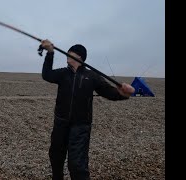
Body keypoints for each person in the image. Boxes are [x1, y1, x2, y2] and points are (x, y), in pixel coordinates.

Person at [40, 39, 135, 180]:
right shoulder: (63, 74)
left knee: (77, 165)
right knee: (56, 157)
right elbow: (46, 75)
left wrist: (123, 94)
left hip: (81, 125)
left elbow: (108, 92)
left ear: (79, 56)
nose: (67, 55)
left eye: (69, 53)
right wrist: (50, 53)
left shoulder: (91, 76)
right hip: (61, 122)